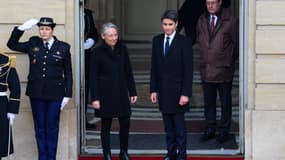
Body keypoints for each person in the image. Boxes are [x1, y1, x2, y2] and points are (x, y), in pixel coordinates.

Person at [7, 17, 73, 160]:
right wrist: (21, 29)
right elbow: (11, 44)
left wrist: (68, 94)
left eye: (47, 29)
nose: (44, 32)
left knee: (52, 128)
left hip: (56, 94)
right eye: (41, 29)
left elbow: (68, 72)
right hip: (36, 93)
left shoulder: (63, 47)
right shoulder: (33, 43)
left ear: (52, 30)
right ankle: (42, 157)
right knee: (40, 128)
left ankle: (51, 157)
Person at [90, 22, 137, 160]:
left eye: (115, 35)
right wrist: (95, 98)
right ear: (103, 36)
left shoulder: (122, 49)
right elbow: (93, 77)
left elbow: (128, 71)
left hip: (121, 91)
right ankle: (107, 154)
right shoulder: (97, 52)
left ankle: (124, 152)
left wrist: (133, 91)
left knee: (125, 122)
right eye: (110, 35)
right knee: (106, 124)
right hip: (105, 94)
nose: (114, 38)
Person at [150, 10, 193, 160]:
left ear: (176, 25)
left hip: (179, 92)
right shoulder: (156, 40)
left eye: (170, 24)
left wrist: (186, 93)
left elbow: (188, 70)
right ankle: (171, 153)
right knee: (168, 128)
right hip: (163, 91)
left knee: (179, 128)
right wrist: (153, 89)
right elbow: (154, 67)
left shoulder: (184, 42)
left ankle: (182, 155)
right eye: (164, 24)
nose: (167, 28)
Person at [196, 0, 238, 144]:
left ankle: (224, 131)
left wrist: (228, 61)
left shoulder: (231, 21)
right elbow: (200, 40)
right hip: (207, 69)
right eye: (208, 3)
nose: (210, 6)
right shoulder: (201, 20)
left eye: (213, 2)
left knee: (225, 102)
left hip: (223, 69)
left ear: (220, 2)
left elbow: (236, 45)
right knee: (209, 102)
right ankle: (210, 128)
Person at [0, 53, 20, 160]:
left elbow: (15, 87)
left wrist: (12, 110)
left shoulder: (6, 61)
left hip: (1, 104)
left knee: (1, 136)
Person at [84, 7, 99, 129]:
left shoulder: (87, 14)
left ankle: (83, 120)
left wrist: (91, 40)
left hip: (86, 55)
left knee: (86, 85)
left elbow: (94, 32)